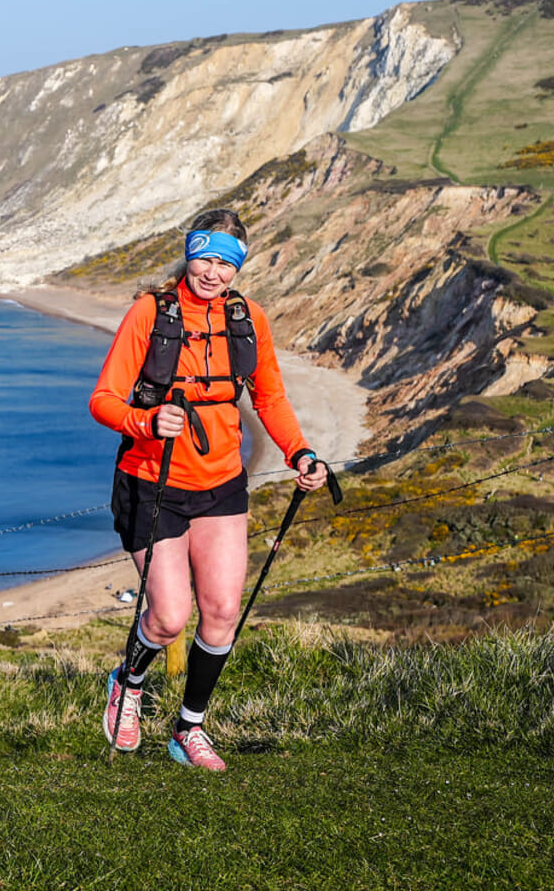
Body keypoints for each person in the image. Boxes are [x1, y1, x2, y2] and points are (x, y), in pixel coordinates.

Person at [89, 208, 329, 771]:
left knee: (221, 611)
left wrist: (301, 453)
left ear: (238, 268)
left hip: (222, 480)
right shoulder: (150, 313)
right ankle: (128, 682)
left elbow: (269, 398)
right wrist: (145, 423)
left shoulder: (249, 318)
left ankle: (188, 730)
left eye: (226, 263)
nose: (213, 273)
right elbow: (104, 399)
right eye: (206, 258)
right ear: (189, 254)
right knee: (169, 617)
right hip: (151, 482)